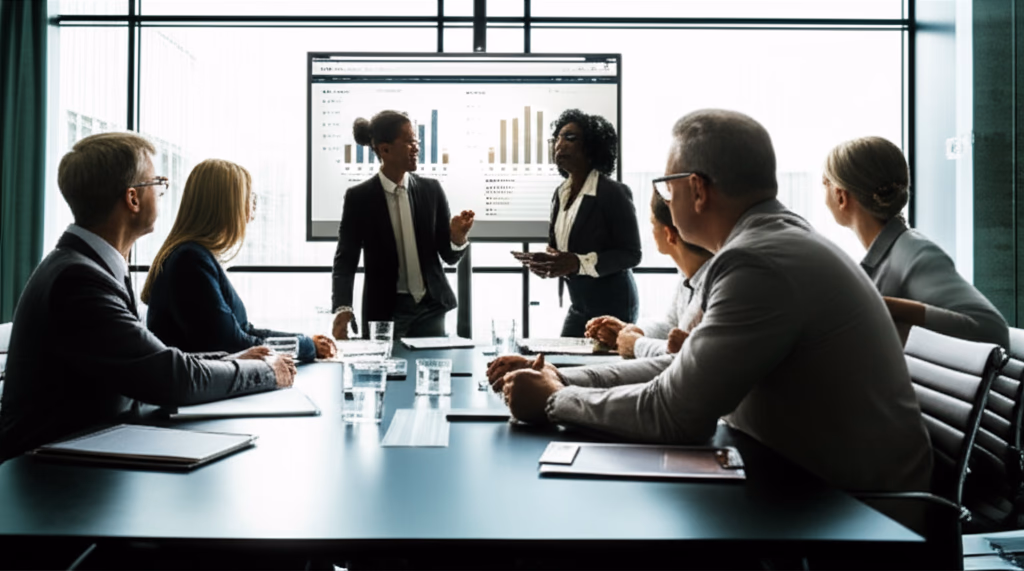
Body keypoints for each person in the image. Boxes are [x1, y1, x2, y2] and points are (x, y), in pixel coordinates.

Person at [489, 109, 932, 501]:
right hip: (819, 487)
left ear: (697, 190)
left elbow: (674, 413)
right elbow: (675, 368)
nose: (664, 199)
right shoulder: (763, 245)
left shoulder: (755, 263)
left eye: (667, 187)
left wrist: (556, 399)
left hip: (861, 514)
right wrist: (560, 375)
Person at [0, 133, 294, 463]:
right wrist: (264, 371)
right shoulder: (78, 281)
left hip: (88, 452)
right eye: (158, 182)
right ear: (133, 199)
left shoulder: (87, 266)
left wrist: (236, 360)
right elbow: (170, 377)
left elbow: (153, 360)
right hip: (48, 476)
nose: (163, 192)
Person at [142, 159, 337, 362]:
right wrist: (305, 346)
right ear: (227, 204)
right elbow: (233, 345)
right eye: (249, 196)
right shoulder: (190, 261)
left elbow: (244, 330)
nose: (253, 207)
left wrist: (304, 341)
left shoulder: (193, 256)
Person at [823, 136, 1009, 347]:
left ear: (841, 197)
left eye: (825, 183)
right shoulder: (895, 252)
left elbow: (992, 331)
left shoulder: (914, 253)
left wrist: (880, 306)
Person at [332, 110, 475, 340]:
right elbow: (345, 260)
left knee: (431, 372)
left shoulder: (432, 190)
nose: (416, 147)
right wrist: (342, 308)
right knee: (388, 375)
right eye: (409, 141)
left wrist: (457, 239)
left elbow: (448, 256)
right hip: (386, 312)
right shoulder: (359, 198)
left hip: (431, 307)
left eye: (416, 141)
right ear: (385, 149)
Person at [515, 109, 641, 337]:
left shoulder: (613, 192)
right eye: (557, 138)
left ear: (592, 147)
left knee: (598, 371)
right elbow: (564, 250)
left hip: (613, 305)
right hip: (579, 304)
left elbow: (631, 254)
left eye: (570, 138)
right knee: (564, 366)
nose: (559, 144)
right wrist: (549, 263)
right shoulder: (560, 193)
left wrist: (576, 263)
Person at [585, 191, 713, 358]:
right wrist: (630, 331)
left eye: (652, 224)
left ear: (669, 234)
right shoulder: (686, 275)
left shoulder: (713, 281)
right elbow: (671, 325)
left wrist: (636, 344)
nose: (650, 231)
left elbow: (686, 355)